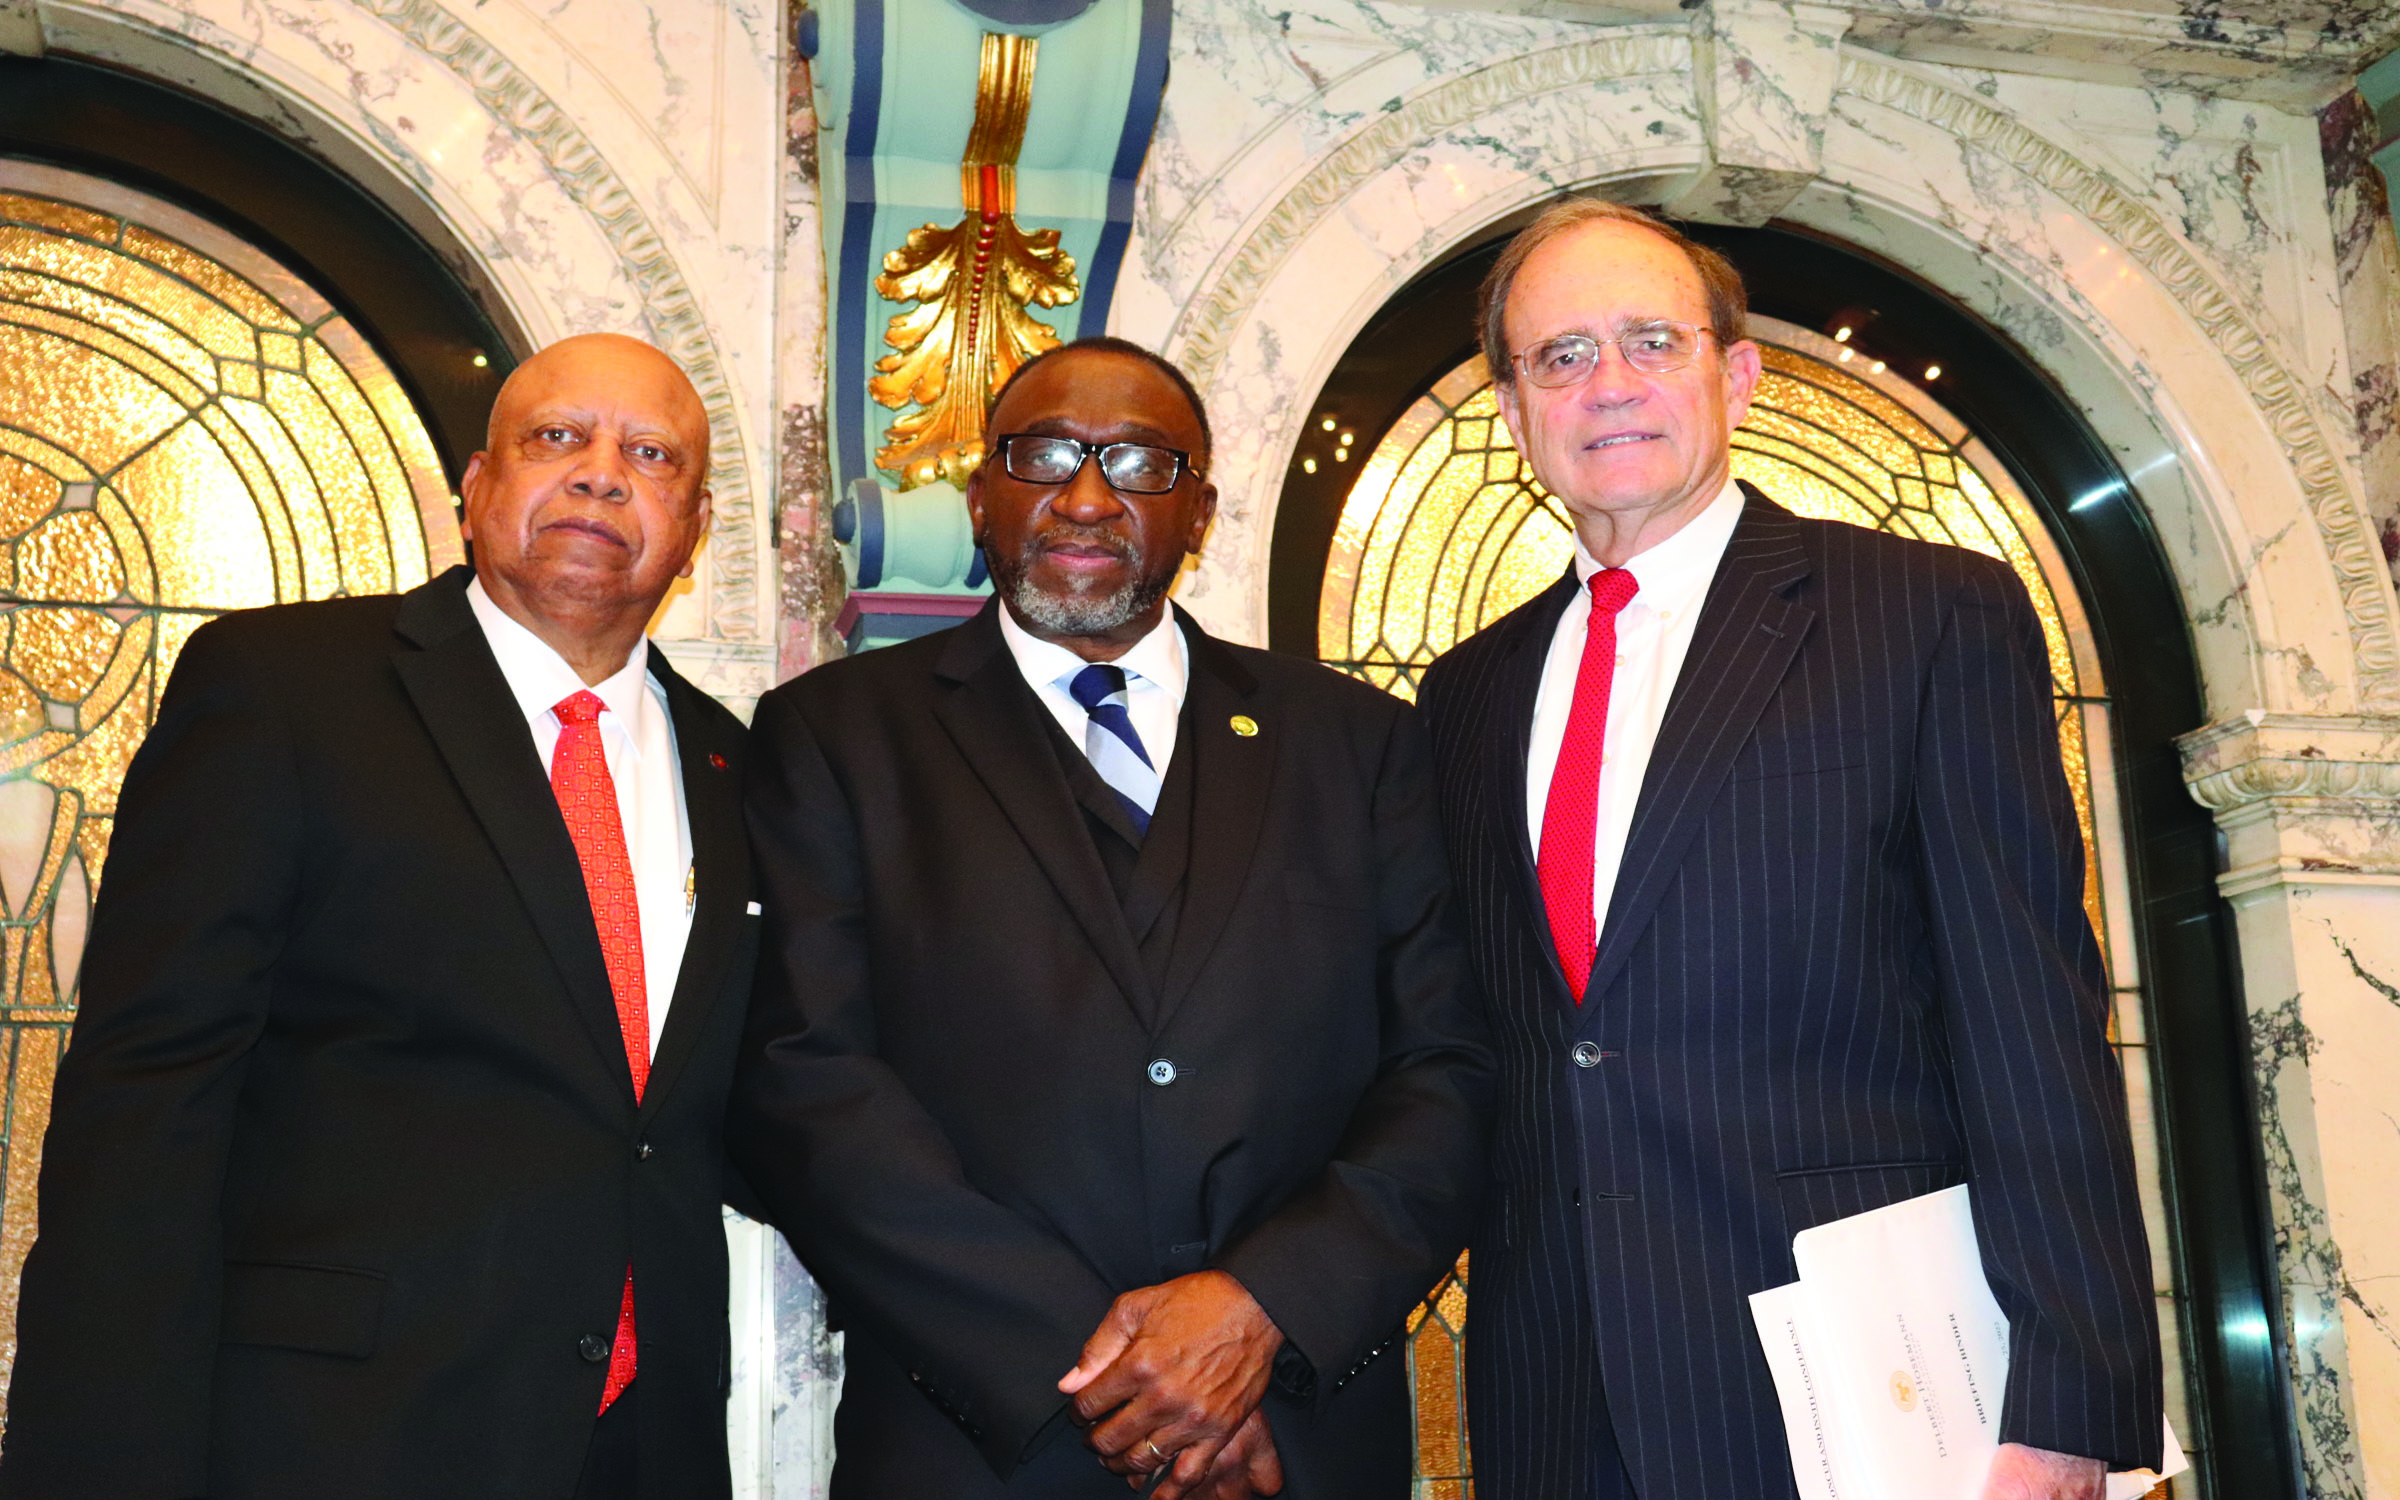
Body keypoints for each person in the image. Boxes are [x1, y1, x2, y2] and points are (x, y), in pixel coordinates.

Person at [1414, 200, 2164, 1500]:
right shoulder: (1465, 692)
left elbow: (2032, 1027)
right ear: (1516, 413)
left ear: (1740, 375)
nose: (1610, 383)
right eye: (1562, 356)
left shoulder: (1927, 616)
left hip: (1869, 1394)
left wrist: (2068, 1401)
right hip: (1558, 1396)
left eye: (1653, 340)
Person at [732, 335, 1493, 1499]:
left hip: (1293, 1437)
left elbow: (1445, 1072)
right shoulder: (835, 737)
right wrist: (1118, 1382)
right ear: (981, 495)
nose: (1087, 498)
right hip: (981, 1445)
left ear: (1202, 514)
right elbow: (807, 1088)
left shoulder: (1358, 743)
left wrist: (1262, 1313)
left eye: (1140, 464)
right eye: (1045, 455)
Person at [2, 334, 757, 1500]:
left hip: (642, 1453)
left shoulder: (738, 769)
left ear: (695, 528)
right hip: (332, 1437)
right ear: (478, 488)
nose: (601, 474)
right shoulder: (285, 687)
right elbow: (148, 1095)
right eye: (558, 437)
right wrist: (98, 1460)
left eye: (650, 455)